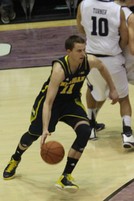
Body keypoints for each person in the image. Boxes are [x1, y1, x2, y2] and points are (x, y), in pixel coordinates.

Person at [3, 35, 119, 191]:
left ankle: (65, 176)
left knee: (85, 131)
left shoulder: (89, 61)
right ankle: (15, 159)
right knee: (34, 134)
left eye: (84, 50)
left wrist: (112, 88)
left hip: (71, 102)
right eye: (79, 51)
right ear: (68, 51)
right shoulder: (59, 69)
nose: (82, 54)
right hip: (52, 104)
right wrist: (45, 129)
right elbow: (48, 102)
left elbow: (102, 67)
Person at [76, 0, 134, 148]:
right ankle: (127, 134)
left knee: (92, 90)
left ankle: (90, 128)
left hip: (91, 57)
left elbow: (81, 30)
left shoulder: (83, 4)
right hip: (112, 59)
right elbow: (125, 36)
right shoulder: (117, 9)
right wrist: (115, 50)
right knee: (123, 98)